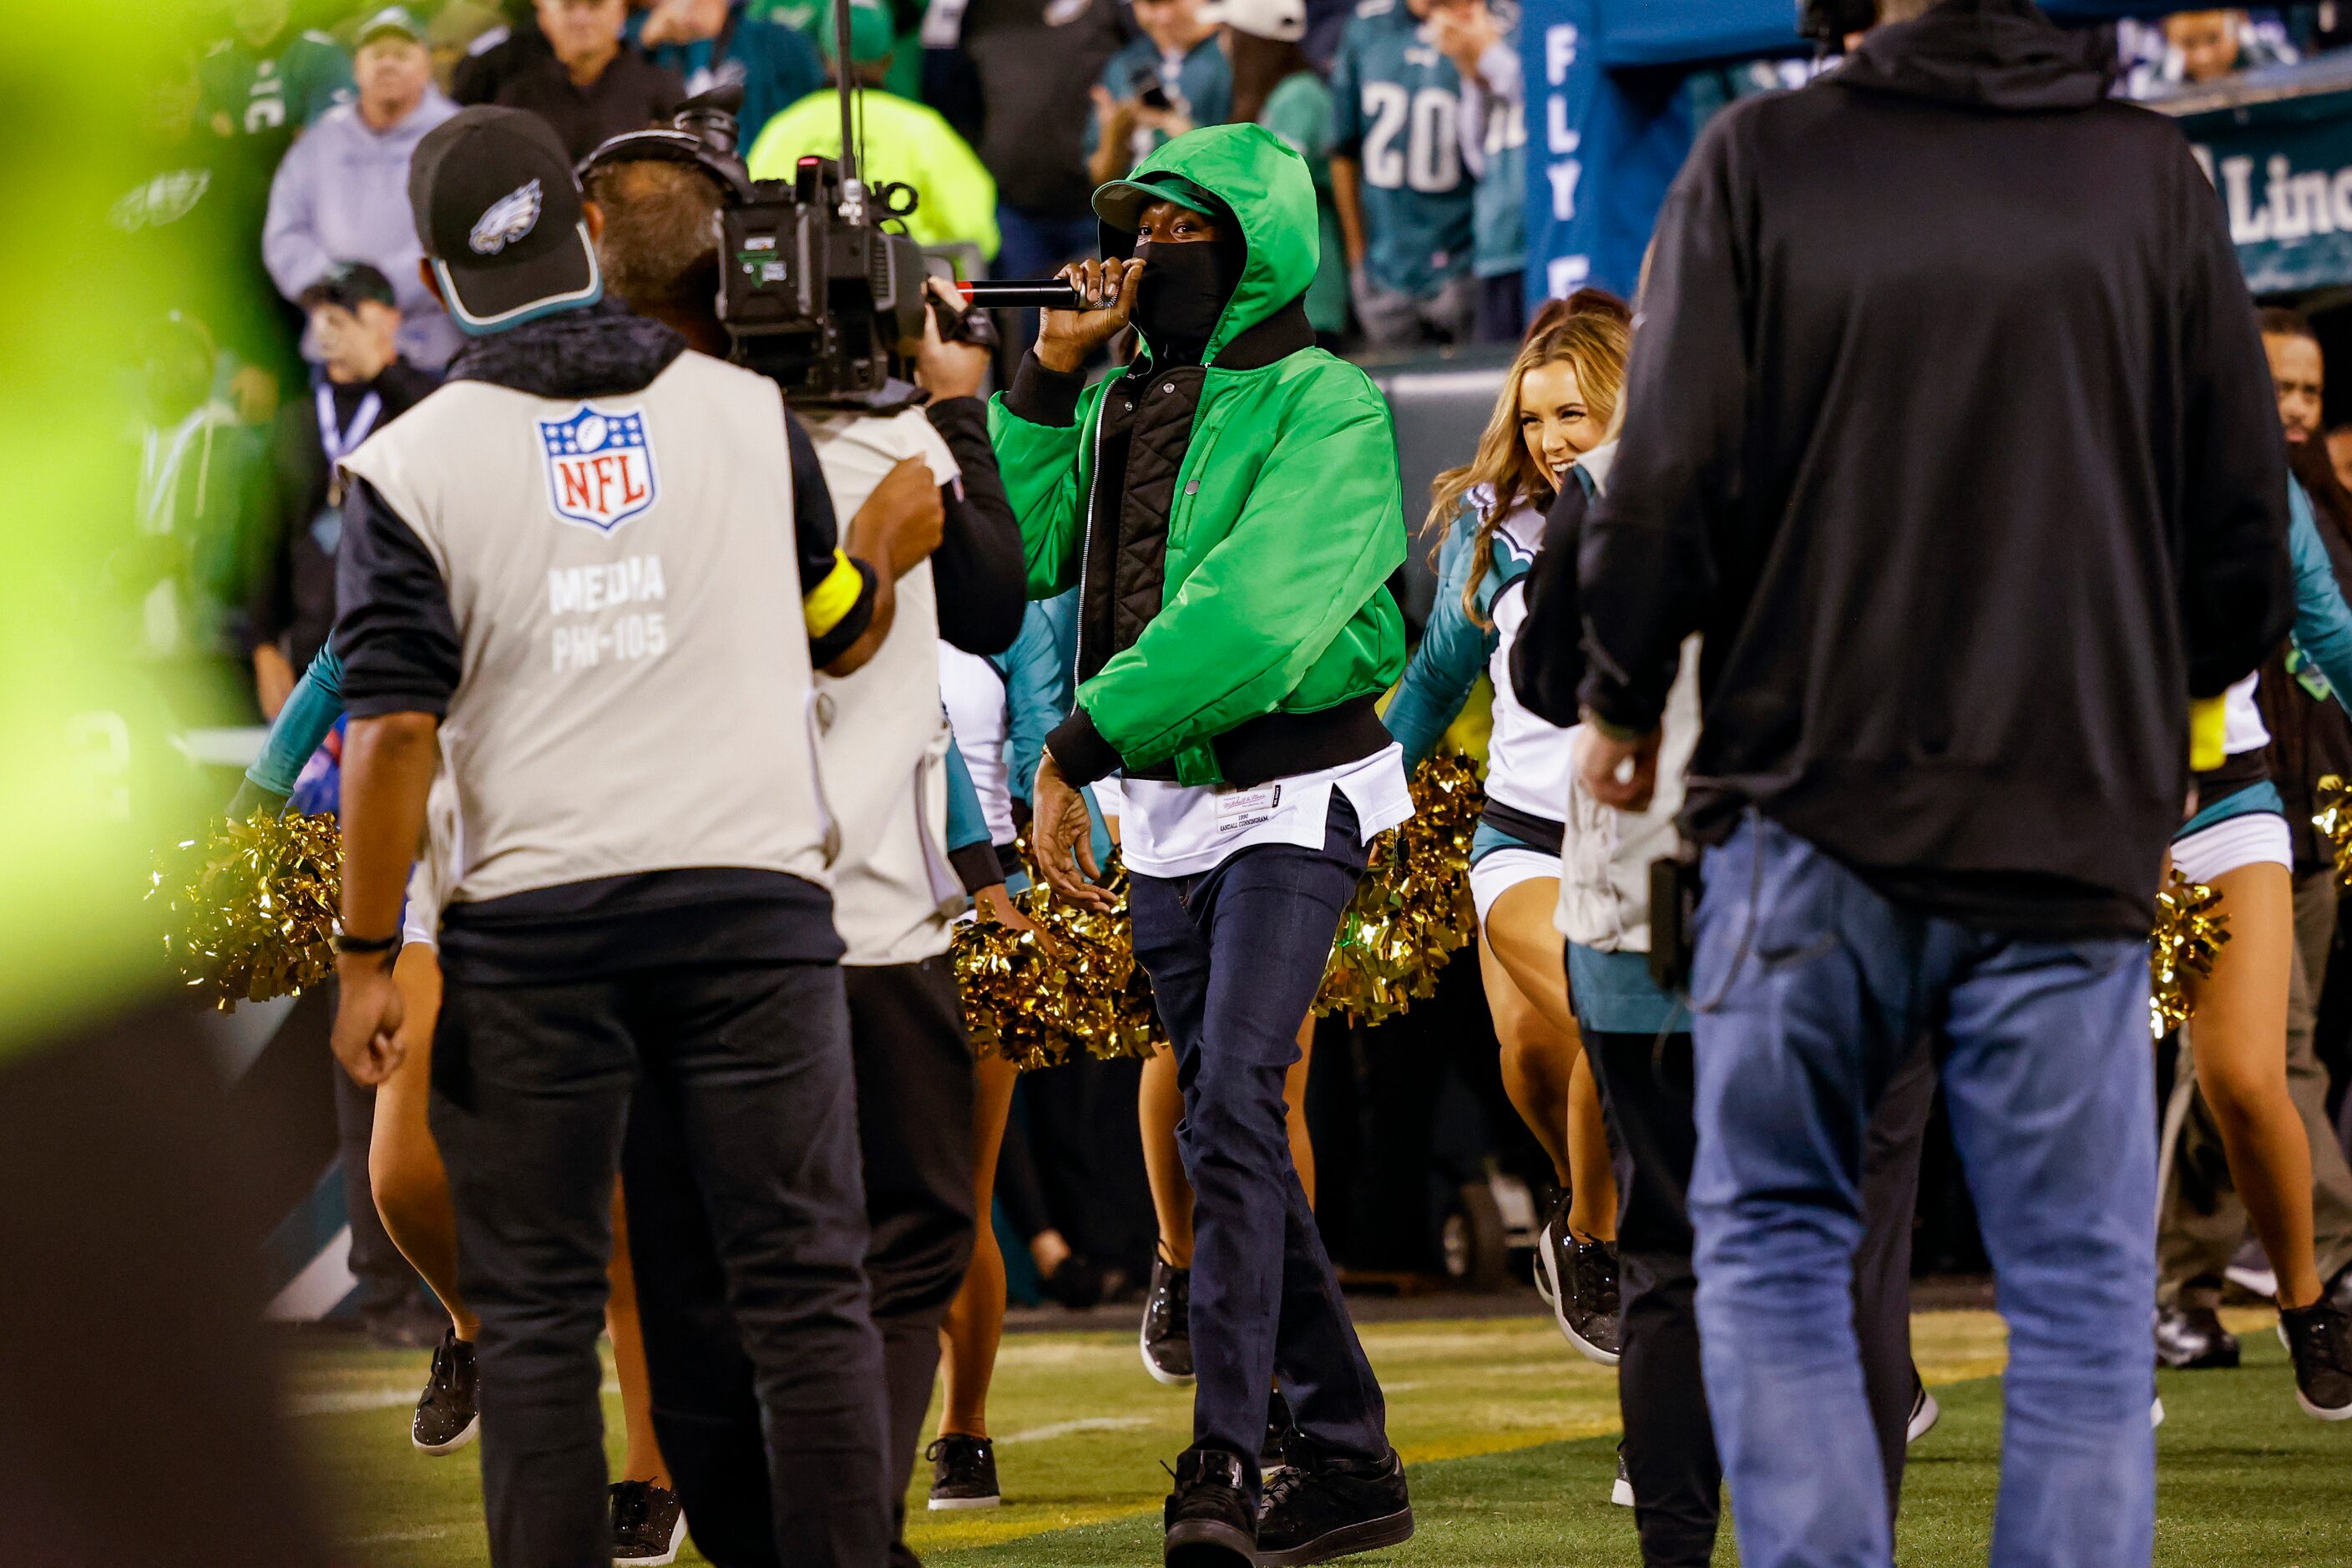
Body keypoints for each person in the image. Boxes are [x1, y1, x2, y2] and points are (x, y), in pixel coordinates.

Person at [1566, 3, 2337, 1564]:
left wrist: (1624, 696)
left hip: (1802, 813)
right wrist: (2164, 713)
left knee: (1777, 1246)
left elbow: (1665, 479)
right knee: (2073, 1287)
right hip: (2062, 830)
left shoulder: (1758, 158)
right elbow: (2243, 536)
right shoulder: (2146, 177)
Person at [328, 104, 936, 1565]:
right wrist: (882, 548)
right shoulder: (741, 413)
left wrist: (363, 955)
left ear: (429, 273)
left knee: (537, 1314)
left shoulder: (407, 465)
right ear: (581, 232)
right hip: (749, 907)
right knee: (803, 1291)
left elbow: (395, 732)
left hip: (537, 925)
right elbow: (838, 637)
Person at [584, 135, 1027, 1567]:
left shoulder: (614, 450)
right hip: (863, 924)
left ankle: (781, 1534)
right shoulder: (882, 450)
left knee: (698, 1252)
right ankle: (833, 1537)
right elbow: (987, 607)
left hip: (663, 919)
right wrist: (954, 422)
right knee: (899, 1238)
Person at [997, 121, 1414, 1568]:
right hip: (1162, 799)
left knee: (1233, 1094)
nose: (1154, 253)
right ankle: (1352, 1452)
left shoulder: (1333, 403)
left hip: (1300, 785)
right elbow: (1030, 550)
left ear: (1256, 244)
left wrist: (1072, 745)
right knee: (1225, 1121)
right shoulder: (1120, 401)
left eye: (1185, 230)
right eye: (1141, 229)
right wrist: (1048, 372)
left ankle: (1228, 1458)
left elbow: (1251, 618)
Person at [1511, 343, 1940, 1567]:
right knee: (1854, 1254)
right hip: (1852, 907)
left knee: (1674, 1260)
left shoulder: (1605, 480)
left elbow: (1542, 680)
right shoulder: (1898, 464)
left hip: (1651, 912)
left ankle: (1677, 1553)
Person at [1381, 313, 1626, 1367]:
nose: (1551, 440)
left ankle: (1604, 1235)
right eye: (1533, 420)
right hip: (1523, 840)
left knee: (1561, 1059)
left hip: (1649, 848)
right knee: (1595, 1040)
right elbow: (1436, 682)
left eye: (1573, 413)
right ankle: (1592, 1238)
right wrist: (1350, 800)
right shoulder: (1502, 530)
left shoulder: (1700, 513)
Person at [2156, 309, 2352, 1371]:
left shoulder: (2246, 470)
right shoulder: (2025, 438)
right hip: (2065, 806)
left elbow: (2322, 624)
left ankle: (2307, 1299)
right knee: (2053, 1080)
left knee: (2246, 1070)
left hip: (2228, 793)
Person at [250, 263, 440, 719]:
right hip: (312, 654)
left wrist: (379, 369)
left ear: (391, 319)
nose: (337, 326)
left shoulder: (422, 402)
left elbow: (443, 445)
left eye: (351, 311)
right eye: (326, 313)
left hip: (404, 647)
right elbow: (264, 540)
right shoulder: (294, 421)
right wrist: (261, 644)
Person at [263, 8, 463, 372]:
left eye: (401, 55)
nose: (387, 63)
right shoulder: (320, 140)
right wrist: (337, 290)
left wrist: (380, 294)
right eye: (376, 54)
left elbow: (467, 235)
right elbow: (284, 234)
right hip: (337, 347)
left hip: (430, 352)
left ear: (426, 65)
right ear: (356, 68)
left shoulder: (458, 137)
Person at [745, 0, 1002, 260]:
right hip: (913, 291)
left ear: (824, 55)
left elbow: (751, 222)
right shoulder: (922, 128)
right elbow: (978, 232)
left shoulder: (784, 130)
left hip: (806, 292)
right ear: (888, 59)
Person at [1330, 0, 1476, 348]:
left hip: (1466, 261)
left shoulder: (1487, 22)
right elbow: (1343, 151)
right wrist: (1357, 256)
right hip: (1386, 267)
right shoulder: (1366, 28)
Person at [1215, 0, 1348, 344]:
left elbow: (1269, 189)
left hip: (1307, 296)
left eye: (1227, 32)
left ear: (1251, 40)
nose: (1221, 43)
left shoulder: (1298, 95)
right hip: (1280, 295)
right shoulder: (1273, 100)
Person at [458, 0, 686, 159]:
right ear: (545, 16)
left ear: (621, 11)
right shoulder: (511, 87)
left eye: (595, 5)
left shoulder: (659, 88)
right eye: (568, 7)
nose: (581, 19)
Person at [1428, 0, 1523, 342]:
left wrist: (1488, 52)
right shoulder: (1492, 33)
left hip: (1541, 243)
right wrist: (1469, 70)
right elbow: (1478, 158)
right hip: (1497, 247)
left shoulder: (1538, 22)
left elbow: (1547, 104)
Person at [636, 0, 827, 146]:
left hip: (758, 179)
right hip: (692, 179)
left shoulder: (775, 41)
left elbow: (811, 114)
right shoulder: (659, 48)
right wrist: (645, 41)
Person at [1088, 0, 1231, 188]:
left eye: (1172, 2)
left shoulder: (1227, 57)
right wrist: (1115, 134)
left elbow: (1238, 167)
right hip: (1133, 204)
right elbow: (1100, 176)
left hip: (1200, 204)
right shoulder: (1125, 63)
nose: (1164, 17)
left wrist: (1171, 125)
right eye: (1150, 4)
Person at [197, 0, 353, 144]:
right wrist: (208, 120)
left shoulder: (321, 53)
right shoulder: (212, 65)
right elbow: (189, 126)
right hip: (237, 170)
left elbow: (336, 124)